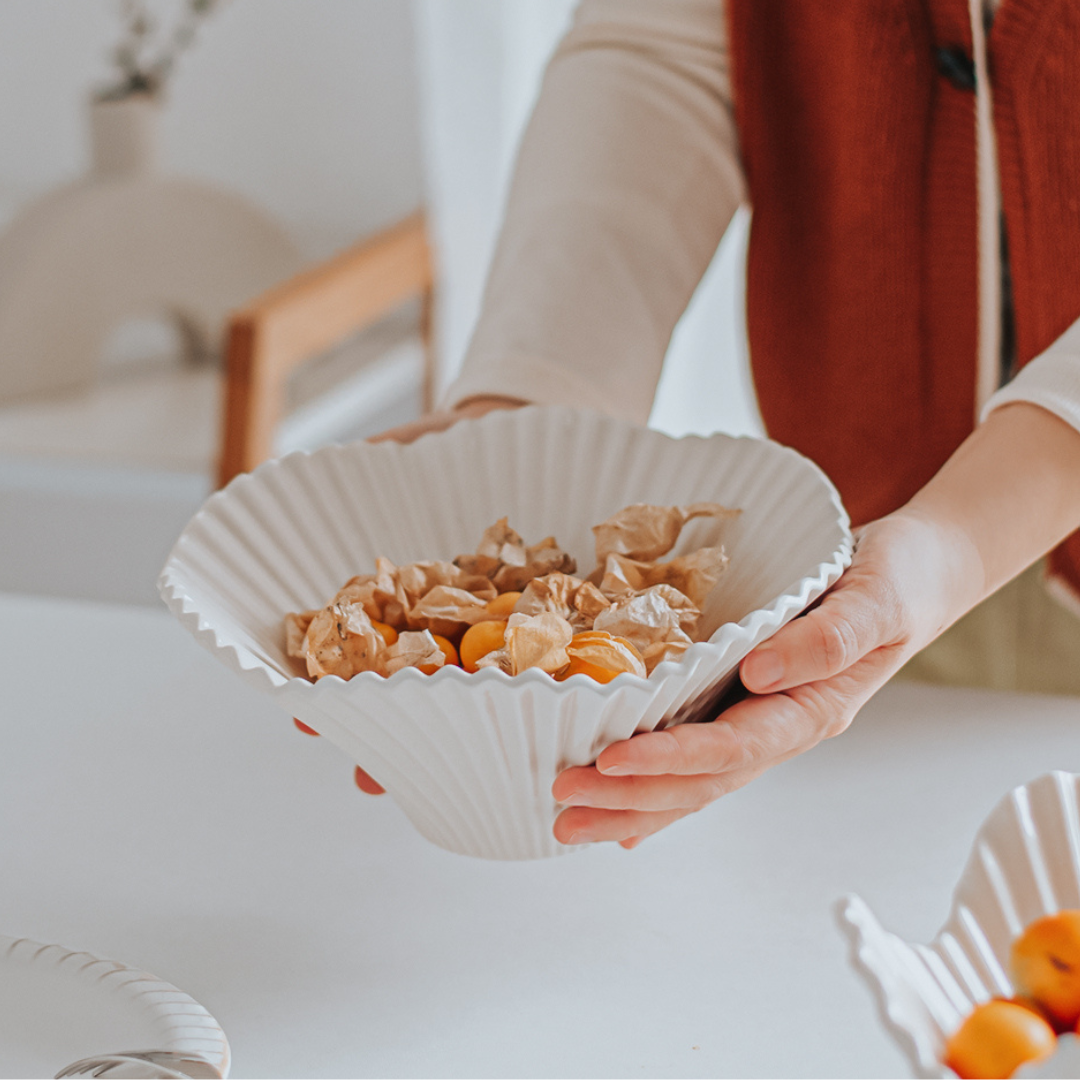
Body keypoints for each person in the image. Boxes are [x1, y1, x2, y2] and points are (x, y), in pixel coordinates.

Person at [358, 0, 1080, 849]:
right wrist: (536, 402)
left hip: (911, 568)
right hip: (876, 560)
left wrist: (957, 542)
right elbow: (666, 46)